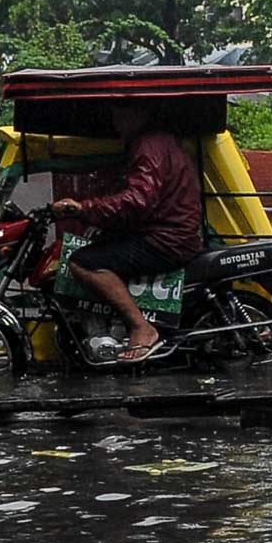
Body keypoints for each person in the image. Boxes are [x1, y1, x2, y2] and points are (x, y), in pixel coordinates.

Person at [51, 102, 204, 362]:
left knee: (82, 263)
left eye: (120, 112)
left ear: (139, 113)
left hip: (167, 239)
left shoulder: (149, 146)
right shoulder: (157, 142)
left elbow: (137, 201)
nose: (115, 119)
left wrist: (84, 208)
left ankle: (141, 327)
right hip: (167, 231)